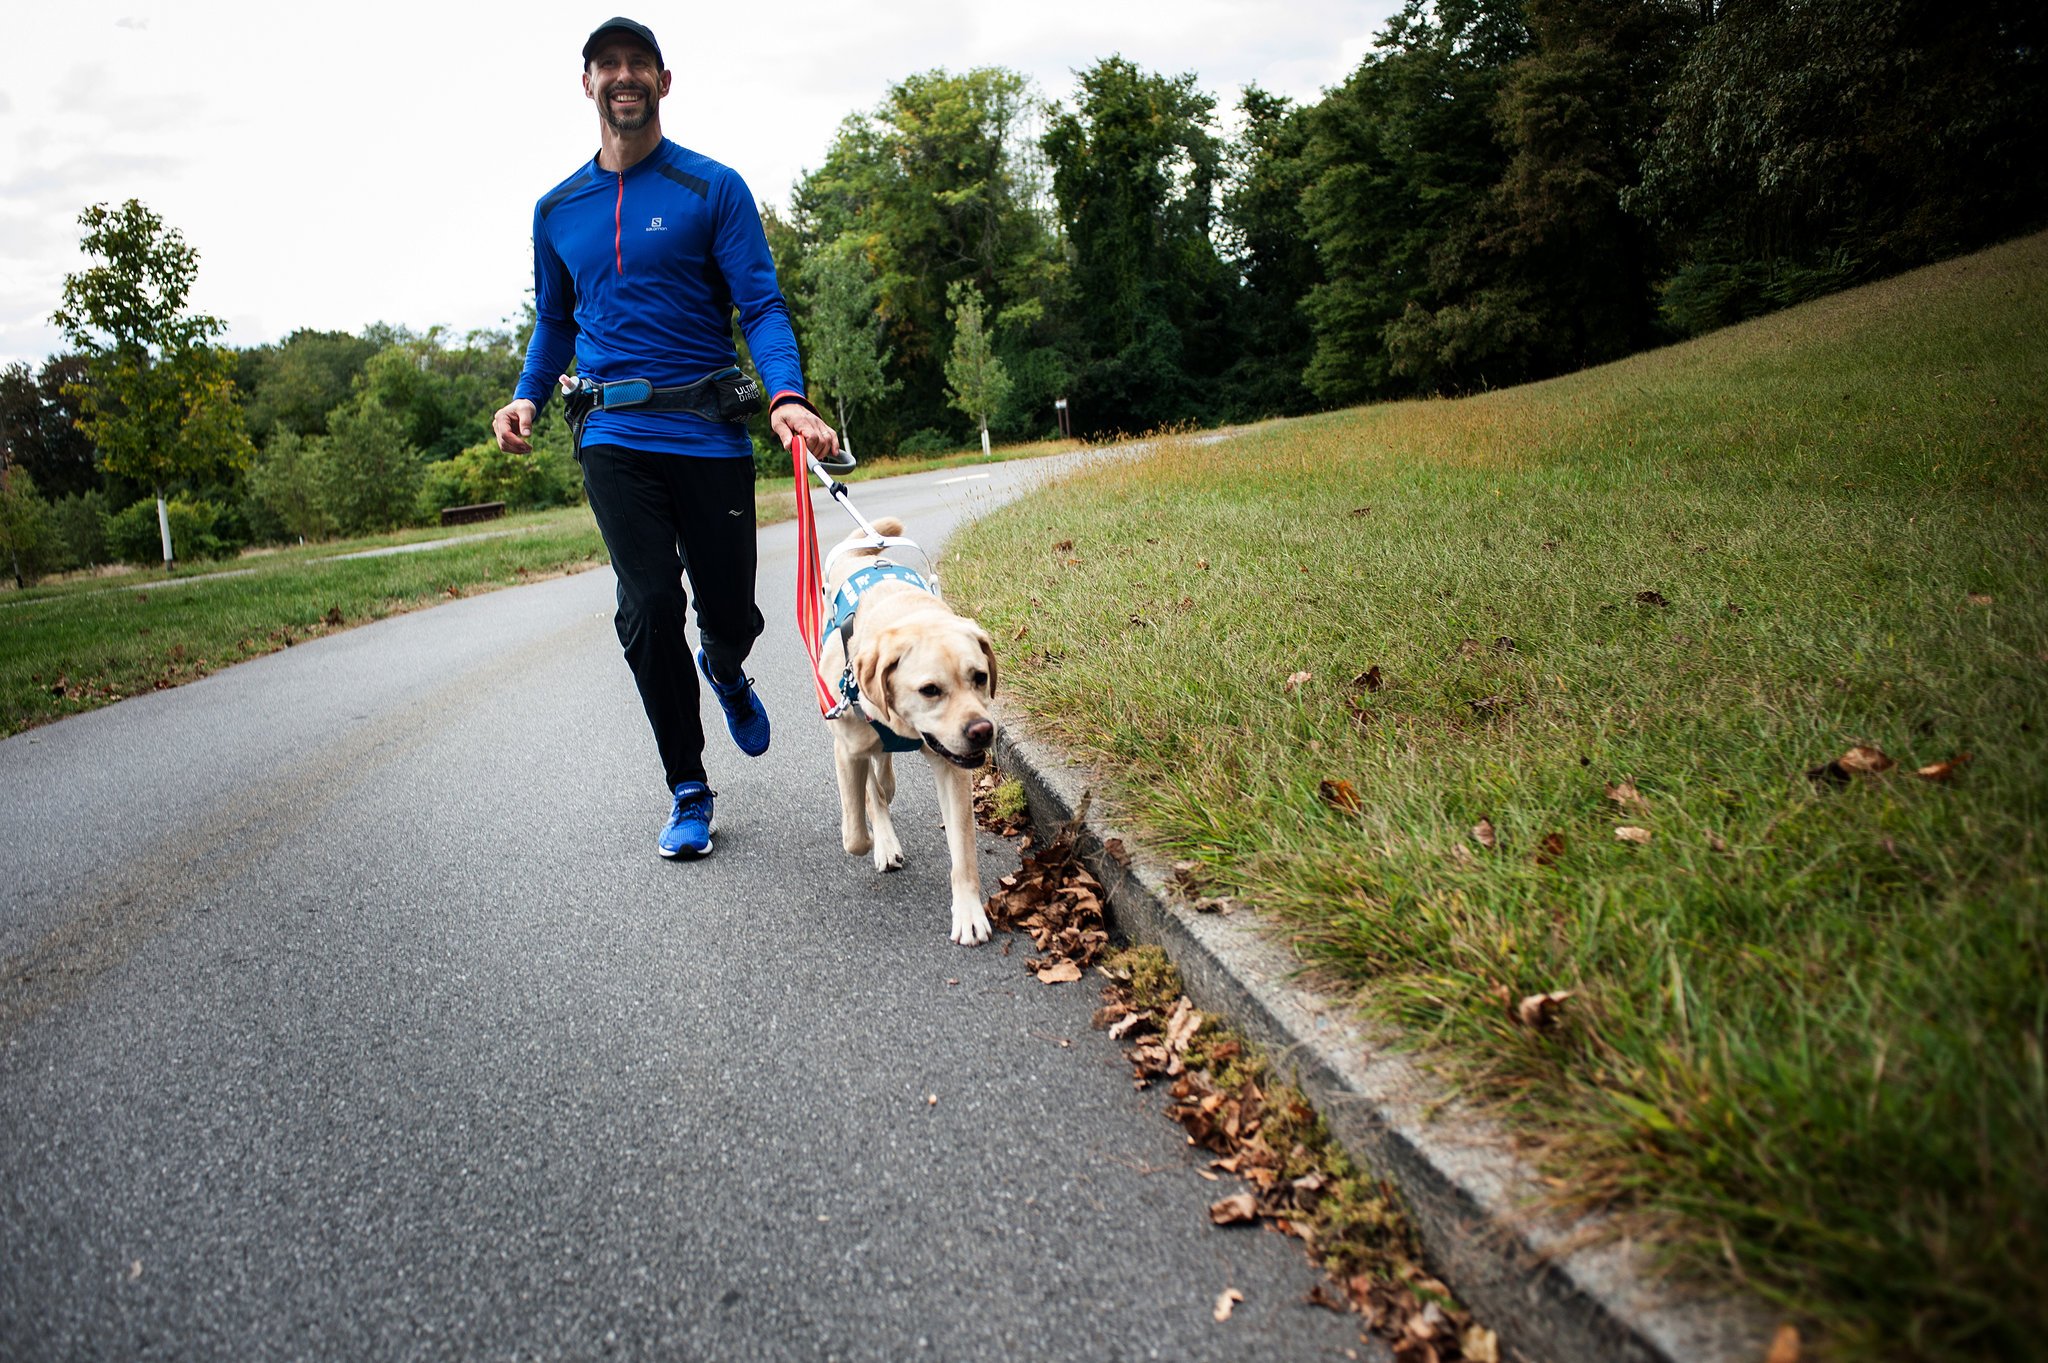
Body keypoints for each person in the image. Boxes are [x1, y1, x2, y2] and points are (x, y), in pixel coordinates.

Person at [492, 16, 840, 861]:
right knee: (647, 603)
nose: (622, 77)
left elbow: (758, 303)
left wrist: (786, 395)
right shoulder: (556, 208)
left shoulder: (711, 188)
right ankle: (688, 786)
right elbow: (554, 320)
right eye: (606, 65)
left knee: (730, 614)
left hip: (708, 432)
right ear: (587, 85)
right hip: (611, 432)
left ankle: (726, 666)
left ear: (662, 80)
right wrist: (527, 396)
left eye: (637, 64)